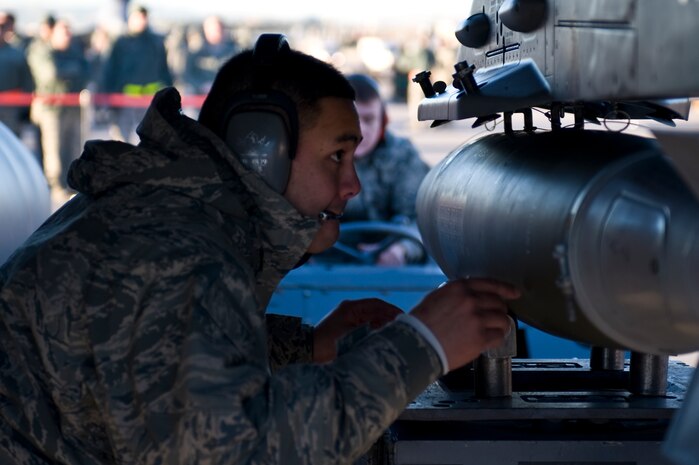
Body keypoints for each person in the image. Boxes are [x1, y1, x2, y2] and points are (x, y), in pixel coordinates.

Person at [0, 34, 519, 464]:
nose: (353, 184)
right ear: (261, 150)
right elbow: (235, 452)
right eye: (337, 155)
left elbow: (145, 354)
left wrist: (301, 349)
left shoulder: (167, 215)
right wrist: (422, 344)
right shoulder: (176, 252)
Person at [342, 72, 431, 266]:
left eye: (368, 119)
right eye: (352, 119)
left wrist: (402, 249)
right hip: (323, 268)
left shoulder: (403, 158)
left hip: (391, 271)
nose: (360, 130)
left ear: (383, 120)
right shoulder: (315, 159)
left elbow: (424, 220)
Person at [27, 17, 88, 204]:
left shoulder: (74, 51)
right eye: (63, 32)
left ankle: (72, 186)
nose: (67, 37)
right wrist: (73, 70)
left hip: (72, 107)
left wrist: (68, 71)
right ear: (53, 33)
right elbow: (51, 73)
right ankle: (56, 188)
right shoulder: (41, 50)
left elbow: (87, 71)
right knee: (53, 151)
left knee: (73, 147)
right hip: (50, 109)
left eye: (69, 32)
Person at [99, 4, 172, 144]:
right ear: (130, 18)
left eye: (144, 16)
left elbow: (165, 71)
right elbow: (109, 72)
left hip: (150, 103)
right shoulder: (120, 42)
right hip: (124, 102)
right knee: (122, 144)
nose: (141, 20)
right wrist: (109, 99)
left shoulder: (156, 42)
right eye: (138, 16)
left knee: (152, 143)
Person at [183, 15, 238, 96]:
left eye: (219, 29)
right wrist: (201, 86)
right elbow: (187, 75)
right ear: (205, 30)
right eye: (213, 29)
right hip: (199, 97)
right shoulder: (195, 53)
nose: (216, 32)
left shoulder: (234, 53)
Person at [0, 12, 34, 137]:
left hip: (11, 110)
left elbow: (27, 82)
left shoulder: (17, 55)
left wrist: (25, 110)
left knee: (11, 144)